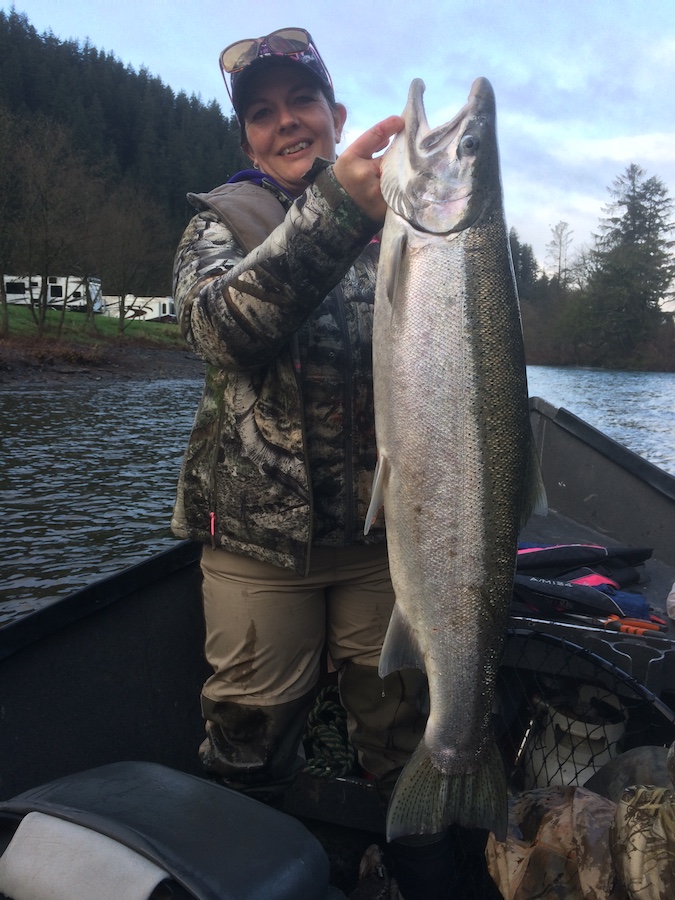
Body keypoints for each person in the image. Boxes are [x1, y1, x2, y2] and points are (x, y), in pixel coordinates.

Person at [171, 28, 455, 899]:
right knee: (246, 748)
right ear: (246, 138)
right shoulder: (216, 227)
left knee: (403, 736)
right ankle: (238, 870)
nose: (284, 122)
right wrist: (337, 207)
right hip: (259, 552)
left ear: (334, 117)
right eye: (262, 113)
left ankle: (416, 867)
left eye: (300, 104)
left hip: (385, 550)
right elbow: (222, 332)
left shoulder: (404, 229)